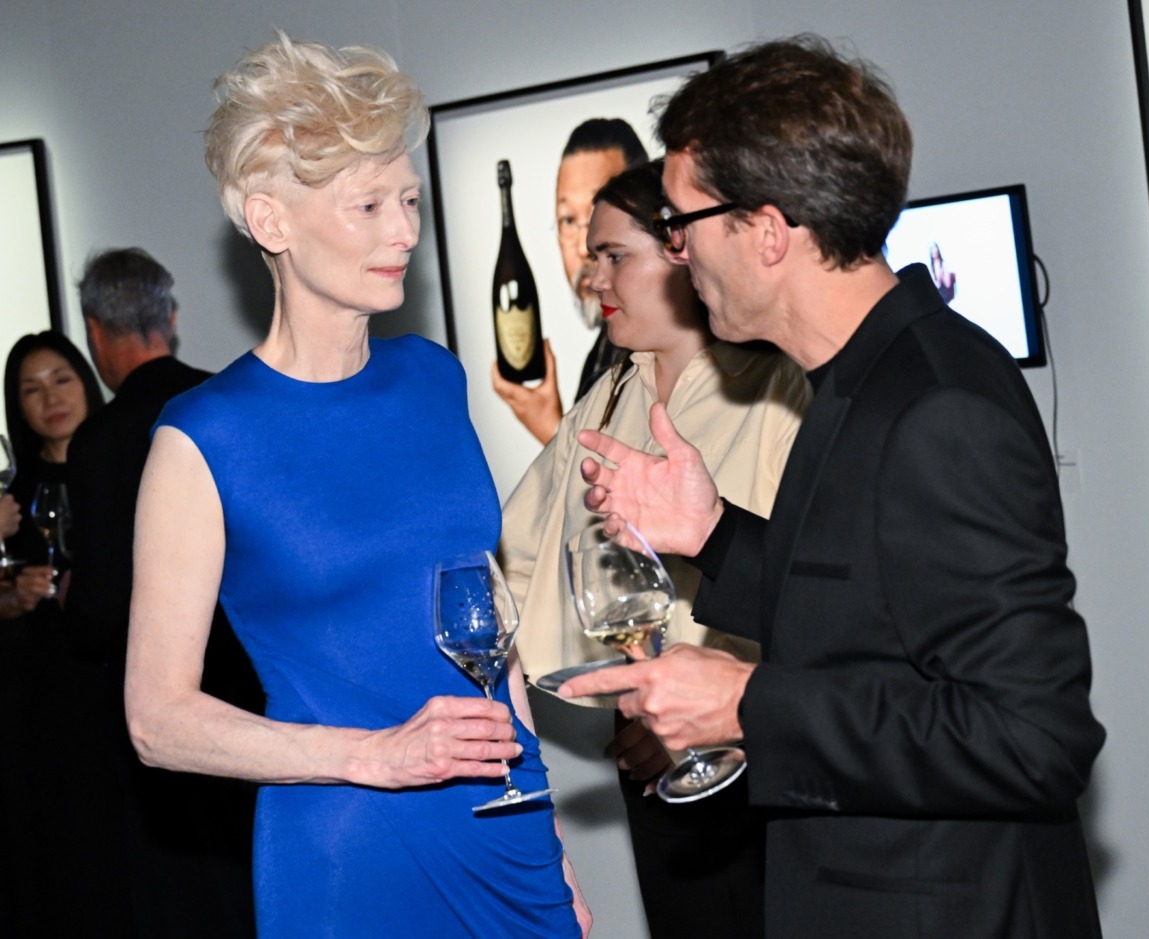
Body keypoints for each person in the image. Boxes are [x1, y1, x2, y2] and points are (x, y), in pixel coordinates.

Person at [561, 35, 1104, 939]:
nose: (676, 253)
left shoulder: (937, 404)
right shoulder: (858, 376)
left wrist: (747, 704)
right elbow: (872, 614)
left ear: (767, 231)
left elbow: (1033, 737)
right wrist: (716, 534)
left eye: (683, 223)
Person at [123, 33, 588, 938]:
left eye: (407, 199)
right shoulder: (202, 439)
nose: (405, 230)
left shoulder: (432, 376)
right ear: (272, 222)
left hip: (501, 819)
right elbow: (157, 718)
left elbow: (492, 628)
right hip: (351, 843)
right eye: (369, 203)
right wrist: (377, 755)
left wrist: (551, 837)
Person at [500, 158, 809, 938]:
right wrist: (630, 688)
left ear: (679, 252)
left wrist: (727, 696)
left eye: (614, 255)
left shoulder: (774, 390)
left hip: (767, 758)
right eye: (590, 254)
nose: (590, 275)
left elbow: (817, 587)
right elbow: (517, 556)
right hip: (650, 761)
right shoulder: (604, 399)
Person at [66, 246, 262, 937]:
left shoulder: (96, 444)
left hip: (155, 718)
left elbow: (95, 612)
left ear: (95, 333)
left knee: (185, 902)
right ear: (169, 318)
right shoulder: (228, 404)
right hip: (255, 694)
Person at [0, 331, 131, 934]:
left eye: (61, 379)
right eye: (31, 389)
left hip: (125, 693)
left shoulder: (128, 474)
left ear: (86, 380)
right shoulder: (10, 501)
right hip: (45, 703)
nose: (50, 397)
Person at [492, 118, 647, 445]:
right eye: (568, 221)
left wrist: (551, 431)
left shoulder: (661, 349)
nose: (583, 246)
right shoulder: (605, 348)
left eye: (598, 213)